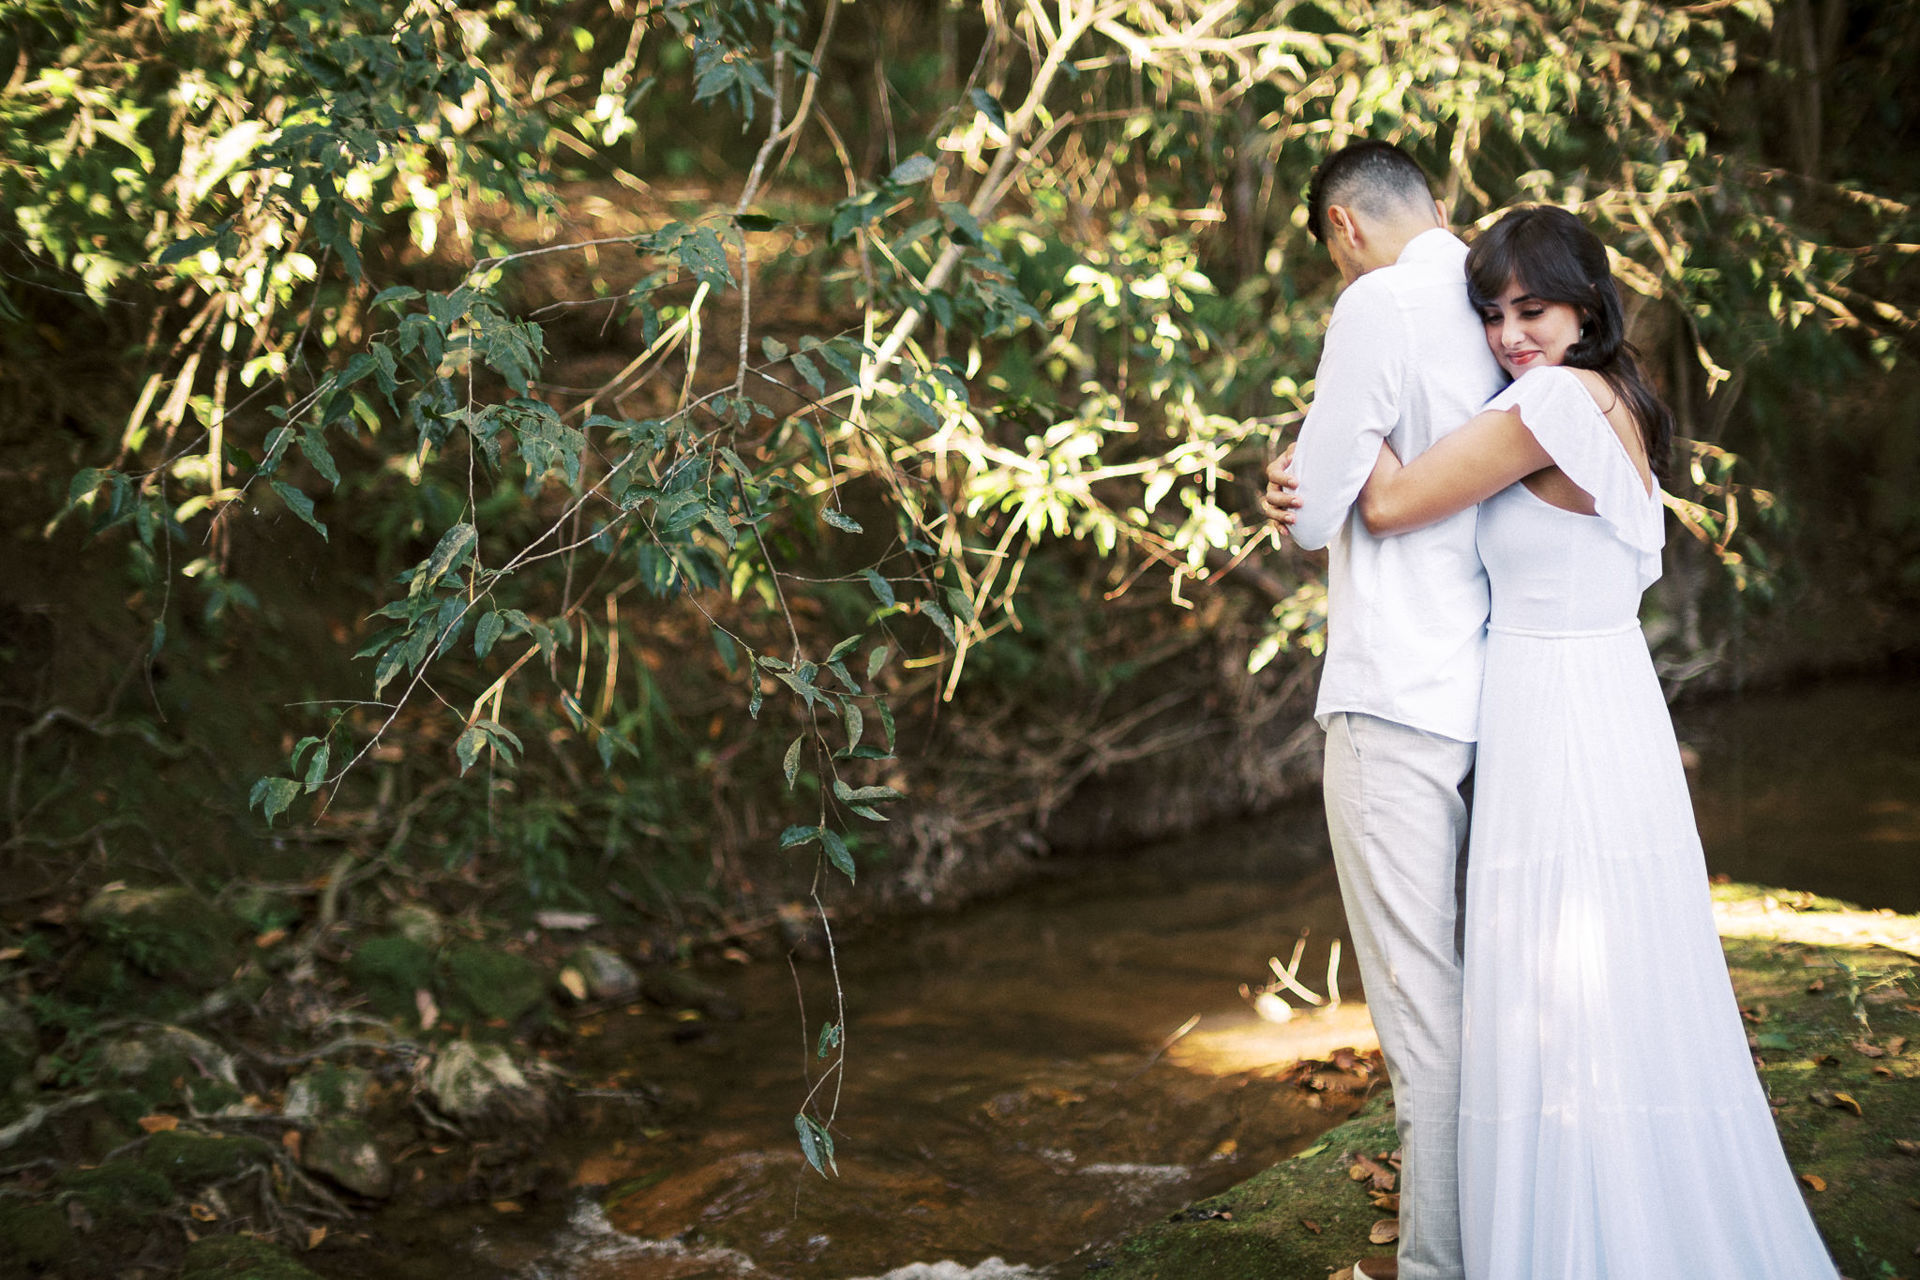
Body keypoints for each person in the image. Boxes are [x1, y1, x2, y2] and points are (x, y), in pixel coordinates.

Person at [1323, 203, 1841, 1279]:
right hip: (1600, 701)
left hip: (1557, 713)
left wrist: (1343, 414)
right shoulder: (1612, 398)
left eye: (1534, 307)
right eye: (1492, 311)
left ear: (1588, 307)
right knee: (1607, 984)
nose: (1511, 332)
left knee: (1556, 981)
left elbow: (1392, 504)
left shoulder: (1555, 400)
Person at [1274, 140, 1508, 1280]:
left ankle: (1439, 1265)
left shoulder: (1376, 302)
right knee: (1477, 988)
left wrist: (1291, 478)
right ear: (1442, 208)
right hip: (1485, 690)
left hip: (1391, 697)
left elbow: (1317, 515)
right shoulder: (1499, 306)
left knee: (1422, 1010)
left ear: (1342, 227)